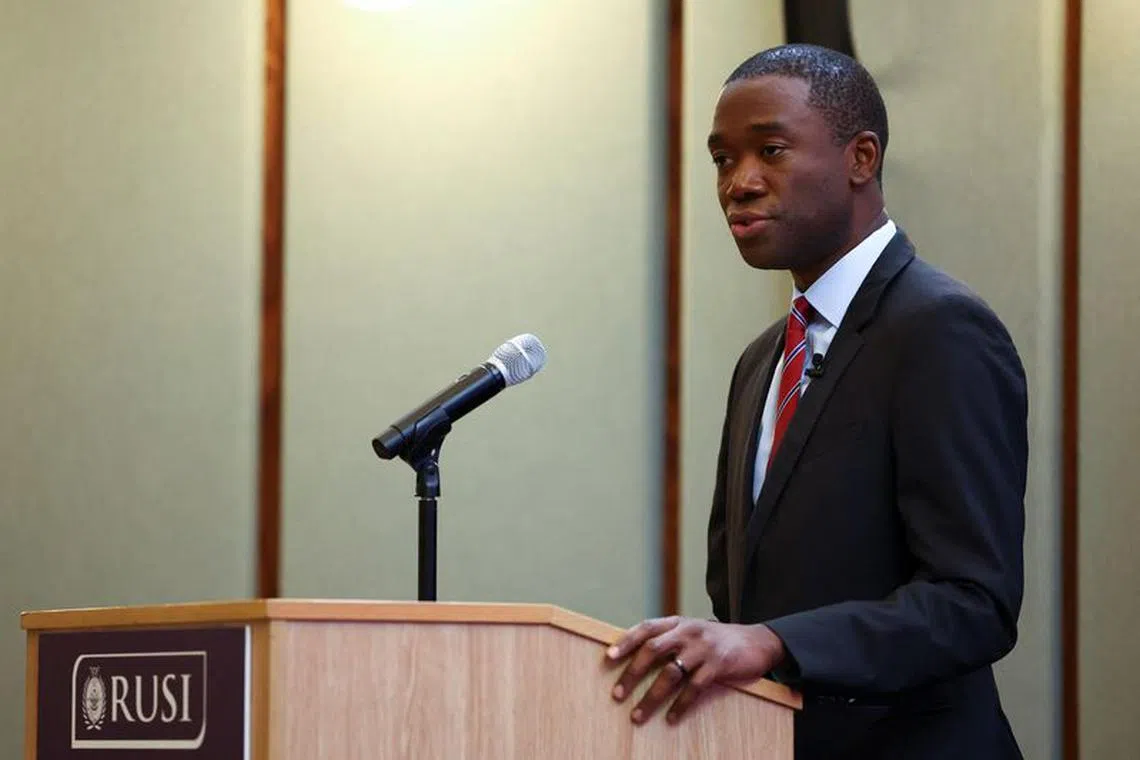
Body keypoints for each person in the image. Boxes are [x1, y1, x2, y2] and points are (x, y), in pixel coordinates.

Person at [605, 44, 1027, 759]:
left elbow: (973, 603)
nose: (738, 183)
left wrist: (773, 644)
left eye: (770, 150)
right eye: (721, 159)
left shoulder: (940, 329)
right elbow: (737, 589)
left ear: (861, 158)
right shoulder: (762, 360)